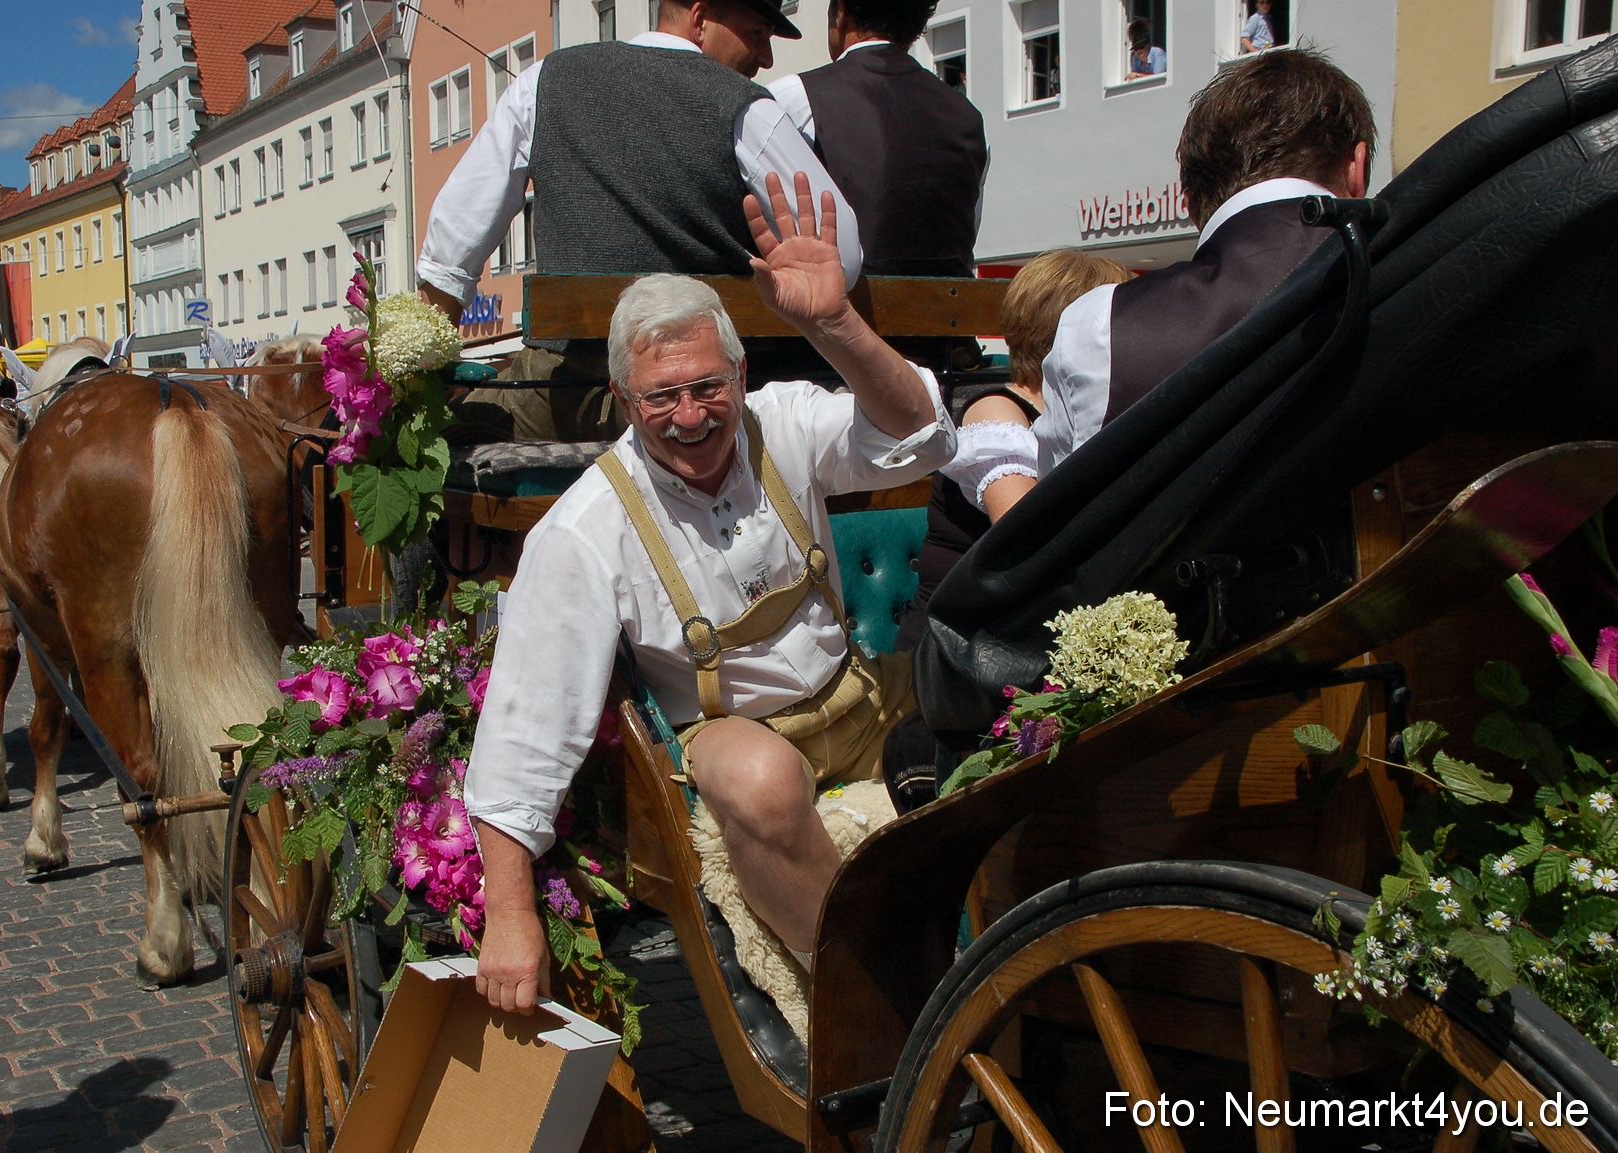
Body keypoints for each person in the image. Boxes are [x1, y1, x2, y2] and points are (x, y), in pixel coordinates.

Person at [468, 174, 955, 1013]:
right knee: (761, 778)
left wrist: (835, 322)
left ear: (739, 371)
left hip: (859, 697)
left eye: (707, 387)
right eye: (663, 396)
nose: (690, 415)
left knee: (991, 686)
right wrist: (509, 910)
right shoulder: (586, 529)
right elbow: (525, 731)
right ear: (624, 399)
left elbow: (921, 440)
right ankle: (868, 990)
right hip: (733, 735)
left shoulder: (786, 418)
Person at [417, 0, 862, 443]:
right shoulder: (747, 108)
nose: (765, 58)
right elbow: (841, 256)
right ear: (701, 17)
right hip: (698, 403)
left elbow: (454, 243)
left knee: (442, 432)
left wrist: (418, 373)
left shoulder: (544, 81)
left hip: (563, 396)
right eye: (759, 34)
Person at [1033, 47, 1374, 474]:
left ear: (1190, 205)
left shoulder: (1100, 324)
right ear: (1357, 169)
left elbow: (1059, 516)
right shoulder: (1420, 273)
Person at [881, 249, 1128, 809]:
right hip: (957, 667)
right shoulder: (996, 410)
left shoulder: (1077, 410)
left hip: (1016, 651)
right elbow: (1030, 538)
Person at [767, 0, 987, 280]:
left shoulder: (793, 96)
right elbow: (968, 232)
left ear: (842, 12)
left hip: (841, 312)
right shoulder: (969, 116)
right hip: (950, 314)